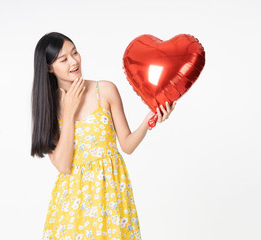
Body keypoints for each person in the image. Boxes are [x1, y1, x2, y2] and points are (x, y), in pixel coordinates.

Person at [31, 32, 176, 240]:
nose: (74, 61)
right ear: (48, 67)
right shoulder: (49, 106)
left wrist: (150, 118)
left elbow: (126, 145)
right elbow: (63, 165)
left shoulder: (105, 90)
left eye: (75, 53)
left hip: (111, 195)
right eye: (63, 59)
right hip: (73, 204)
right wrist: (69, 111)